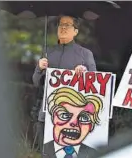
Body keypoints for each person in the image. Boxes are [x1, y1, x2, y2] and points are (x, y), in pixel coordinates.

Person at [31, 14, 97, 154]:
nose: (63, 28)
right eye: (61, 25)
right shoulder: (48, 52)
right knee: (48, 154)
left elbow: (96, 85)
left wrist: (85, 73)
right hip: (47, 114)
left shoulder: (85, 54)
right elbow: (36, 82)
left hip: (74, 121)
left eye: (68, 25)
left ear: (76, 31)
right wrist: (39, 68)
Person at [43, 87, 102, 158]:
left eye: (84, 118)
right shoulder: (41, 149)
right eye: (64, 115)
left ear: (91, 126)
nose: (74, 123)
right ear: (53, 118)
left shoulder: (96, 154)